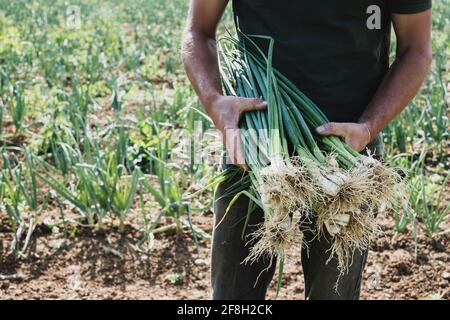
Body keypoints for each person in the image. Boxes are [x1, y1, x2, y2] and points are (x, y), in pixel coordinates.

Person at [181, 0, 432, 300]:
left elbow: (415, 50)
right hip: (257, 143)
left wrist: (367, 127)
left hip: (348, 154)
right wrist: (214, 102)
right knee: (233, 296)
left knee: (333, 294)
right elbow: (198, 30)